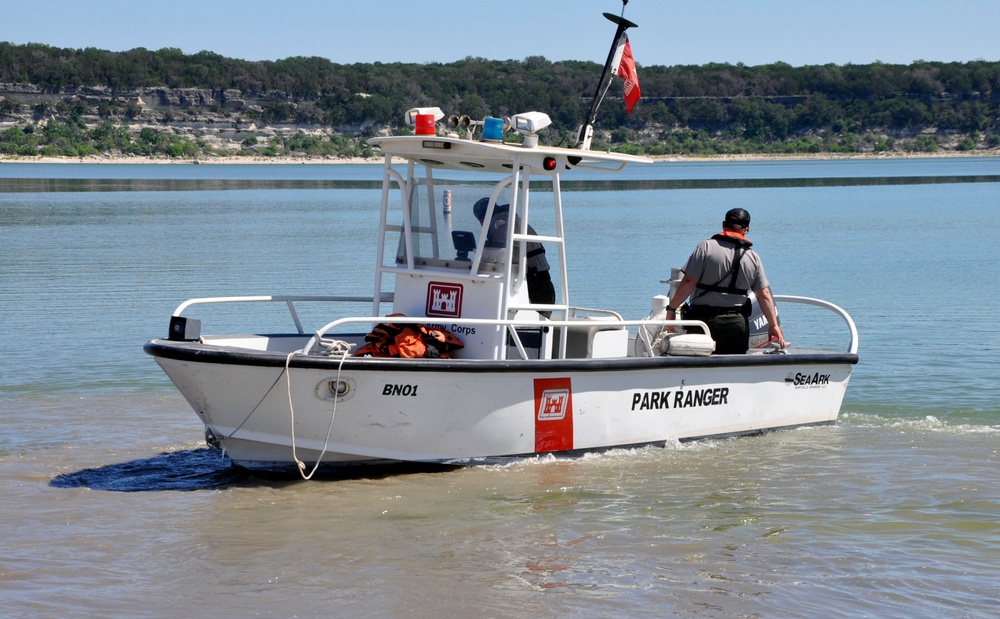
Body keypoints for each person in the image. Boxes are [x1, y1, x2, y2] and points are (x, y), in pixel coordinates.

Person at [665, 208, 786, 354]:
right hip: (736, 325)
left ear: (723, 225)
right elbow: (764, 294)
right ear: (746, 230)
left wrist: (671, 309)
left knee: (699, 368)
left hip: (703, 323)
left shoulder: (706, 247)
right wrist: (773, 325)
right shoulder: (753, 257)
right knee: (734, 369)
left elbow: (689, 282)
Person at [473, 197, 556, 312]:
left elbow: (500, 249)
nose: (482, 224)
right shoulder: (509, 218)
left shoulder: (500, 220)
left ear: (485, 217)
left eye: (481, 220)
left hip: (538, 289)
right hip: (535, 286)